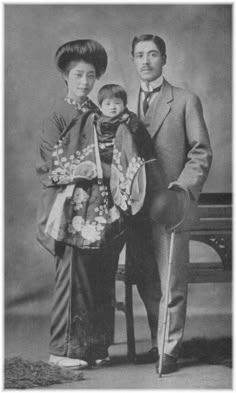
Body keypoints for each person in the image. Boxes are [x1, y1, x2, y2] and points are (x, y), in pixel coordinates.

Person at [36, 38, 156, 370]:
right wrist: (97, 167)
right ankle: (63, 350)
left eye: (90, 75)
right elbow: (51, 166)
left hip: (104, 210)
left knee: (100, 278)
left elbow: (124, 152)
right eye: (78, 75)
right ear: (66, 76)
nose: (85, 82)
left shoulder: (99, 111)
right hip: (70, 211)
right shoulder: (57, 116)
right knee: (73, 278)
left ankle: (94, 348)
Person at [126, 34, 213, 373]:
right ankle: (155, 341)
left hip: (170, 206)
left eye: (152, 54)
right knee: (147, 280)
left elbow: (201, 152)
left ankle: (169, 348)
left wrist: (181, 191)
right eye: (139, 55)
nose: (145, 61)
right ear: (133, 60)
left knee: (171, 280)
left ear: (164, 58)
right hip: (135, 209)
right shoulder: (120, 103)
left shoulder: (185, 100)